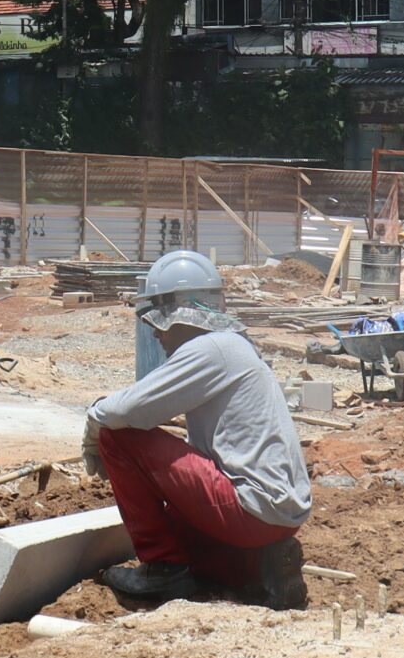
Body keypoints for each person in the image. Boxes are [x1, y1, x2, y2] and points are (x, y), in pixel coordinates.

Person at [83, 250, 310, 609]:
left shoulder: (209, 348)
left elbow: (127, 409)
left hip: (249, 508)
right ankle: (261, 569)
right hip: (276, 515)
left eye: (161, 318)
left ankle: (161, 568)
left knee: (118, 437)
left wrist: (94, 421)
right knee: (183, 534)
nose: (156, 332)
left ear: (182, 314)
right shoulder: (233, 346)